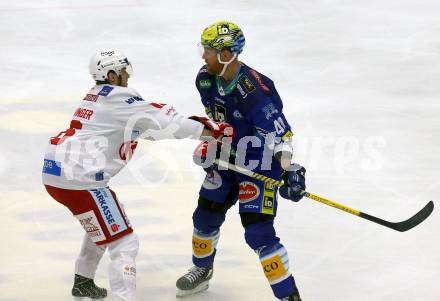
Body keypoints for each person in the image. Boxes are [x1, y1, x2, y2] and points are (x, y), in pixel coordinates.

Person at [42, 50, 232, 301]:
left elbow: (140, 127)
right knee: (124, 243)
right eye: (122, 73)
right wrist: (208, 131)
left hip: (57, 173)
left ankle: (83, 281)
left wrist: (185, 132)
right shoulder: (120, 98)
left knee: (105, 222)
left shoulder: (96, 96)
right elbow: (161, 120)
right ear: (111, 75)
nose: (127, 79)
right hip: (80, 180)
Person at [175, 21, 306, 301]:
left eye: (208, 50)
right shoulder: (206, 78)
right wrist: (210, 143)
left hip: (258, 166)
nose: (203, 56)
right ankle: (202, 270)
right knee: (204, 217)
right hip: (225, 160)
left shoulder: (254, 90)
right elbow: (218, 119)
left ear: (225, 54)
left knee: (258, 233)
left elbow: (280, 137)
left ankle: (288, 296)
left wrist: (289, 170)